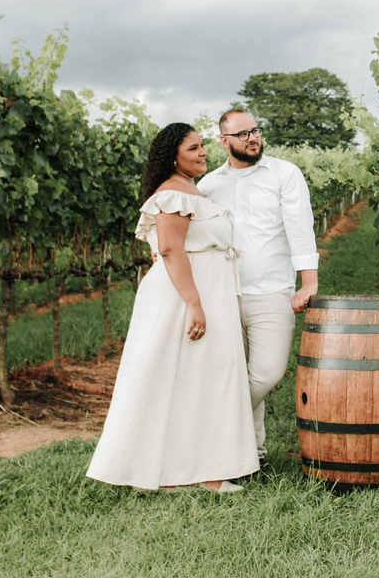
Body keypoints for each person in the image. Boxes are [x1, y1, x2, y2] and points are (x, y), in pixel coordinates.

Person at [87, 123, 258, 492]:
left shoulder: (190, 190)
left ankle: (204, 470)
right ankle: (180, 472)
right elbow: (169, 249)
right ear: (173, 157)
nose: (202, 152)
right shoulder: (171, 194)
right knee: (177, 379)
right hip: (185, 298)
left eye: (202, 145)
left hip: (208, 291)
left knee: (201, 380)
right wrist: (194, 303)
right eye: (192, 148)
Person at [198, 109, 318, 461]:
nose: (253, 138)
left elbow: (300, 227)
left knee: (266, 373)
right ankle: (251, 454)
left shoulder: (284, 174)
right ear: (224, 141)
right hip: (222, 293)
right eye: (243, 134)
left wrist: (308, 282)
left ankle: (210, 429)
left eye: (255, 130)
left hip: (272, 291)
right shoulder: (208, 186)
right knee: (234, 372)